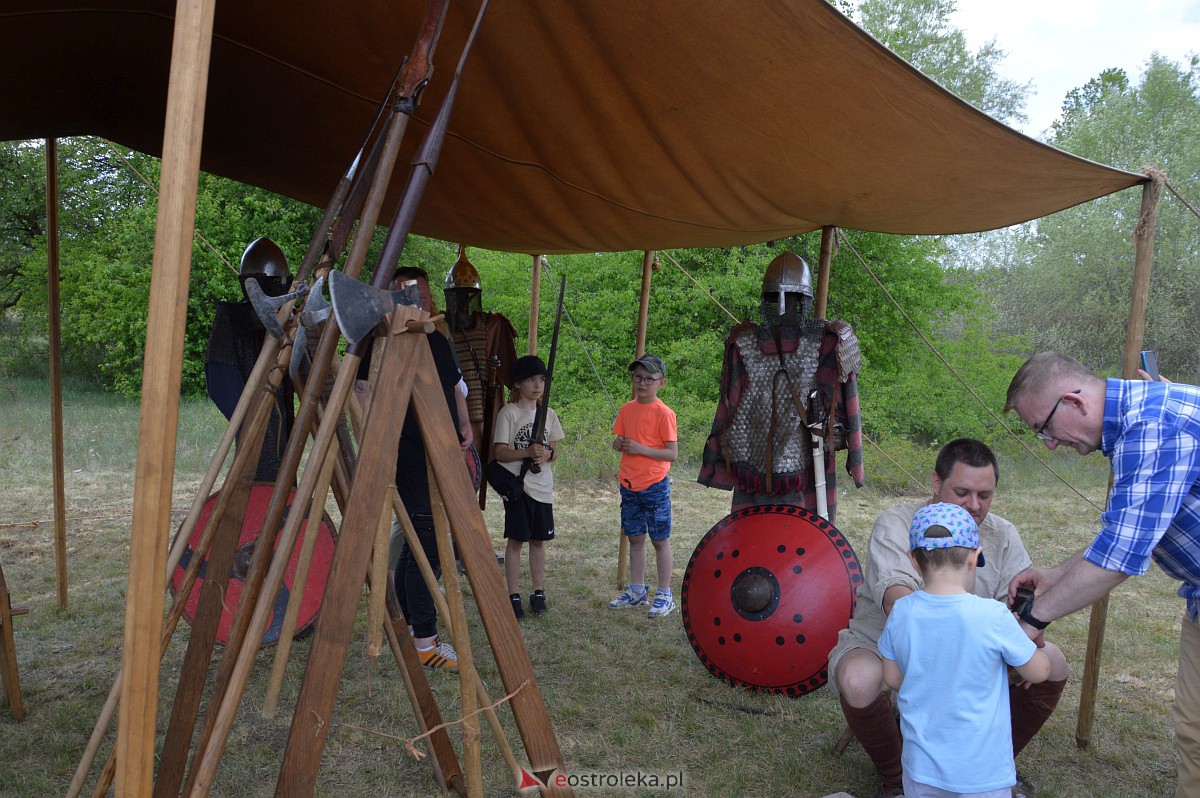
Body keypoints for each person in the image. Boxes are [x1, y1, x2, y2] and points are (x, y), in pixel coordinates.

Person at [1004, 351, 1200, 797]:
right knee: (1194, 731)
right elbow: (1123, 533)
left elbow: (1122, 558)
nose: (1049, 445)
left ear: (1075, 402)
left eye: (1044, 429)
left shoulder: (1152, 427)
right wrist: (1057, 575)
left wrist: (1031, 624)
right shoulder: (1136, 427)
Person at [827, 438, 1069, 798]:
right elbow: (899, 605)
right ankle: (896, 781)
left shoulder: (1002, 534)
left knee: (1055, 661)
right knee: (860, 678)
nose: (974, 505)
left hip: (975, 650)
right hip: (885, 644)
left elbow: (1020, 605)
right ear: (936, 483)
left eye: (985, 495)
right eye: (963, 492)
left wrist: (1021, 633)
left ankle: (991, 764)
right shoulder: (897, 523)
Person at [880, 502, 1051, 798]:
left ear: (914, 562)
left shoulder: (902, 612)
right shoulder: (994, 616)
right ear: (974, 558)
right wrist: (1025, 641)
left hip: (921, 770)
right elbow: (1038, 671)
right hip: (983, 773)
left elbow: (892, 677)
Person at [356, 266, 469, 672]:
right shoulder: (381, 339)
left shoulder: (435, 337)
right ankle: (425, 642)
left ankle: (408, 627)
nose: (414, 302)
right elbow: (364, 394)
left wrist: (463, 427)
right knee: (427, 546)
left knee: (418, 543)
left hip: (436, 450)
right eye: (404, 294)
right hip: (408, 456)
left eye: (419, 295)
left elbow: (453, 386)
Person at [698, 251, 863, 521]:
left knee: (803, 544)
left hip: (807, 468)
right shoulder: (744, 343)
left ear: (804, 302)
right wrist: (715, 461)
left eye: (791, 298)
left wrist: (854, 461)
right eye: (777, 299)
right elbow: (727, 407)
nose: (784, 306)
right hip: (752, 467)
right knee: (755, 541)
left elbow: (850, 408)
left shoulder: (830, 341)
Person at [204, 237, 295, 482]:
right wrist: (251, 422)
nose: (279, 287)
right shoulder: (232, 319)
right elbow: (221, 381)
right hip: (253, 430)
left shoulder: (287, 321)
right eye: (274, 281)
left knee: (282, 478)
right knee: (254, 483)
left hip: (283, 431)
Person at [490, 355, 564, 619]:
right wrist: (526, 452)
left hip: (542, 487)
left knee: (538, 541)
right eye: (531, 379)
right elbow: (499, 453)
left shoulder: (549, 415)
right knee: (516, 540)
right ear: (518, 384)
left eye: (542, 380)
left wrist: (547, 455)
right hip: (519, 488)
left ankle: (538, 590)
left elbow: (554, 449)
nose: (537, 385)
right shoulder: (508, 413)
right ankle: (512, 593)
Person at [608, 354, 679, 618]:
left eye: (649, 378)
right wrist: (620, 445)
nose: (642, 383)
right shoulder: (627, 409)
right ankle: (637, 590)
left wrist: (640, 448)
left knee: (659, 539)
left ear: (661, 383)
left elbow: (671, 454)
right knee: (635, 538)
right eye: (638, 377)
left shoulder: (664, 413)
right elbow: (622, 441)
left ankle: (664, 594)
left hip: (654, 485)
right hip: (629, 484)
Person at [443, 245, 518, 469]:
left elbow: (510, 373)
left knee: (485, 464)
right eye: (459, 297)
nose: (464, 303)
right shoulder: (440, 327)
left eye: (468, 297)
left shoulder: (491, 325)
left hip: (486, 404)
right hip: (454, 407)